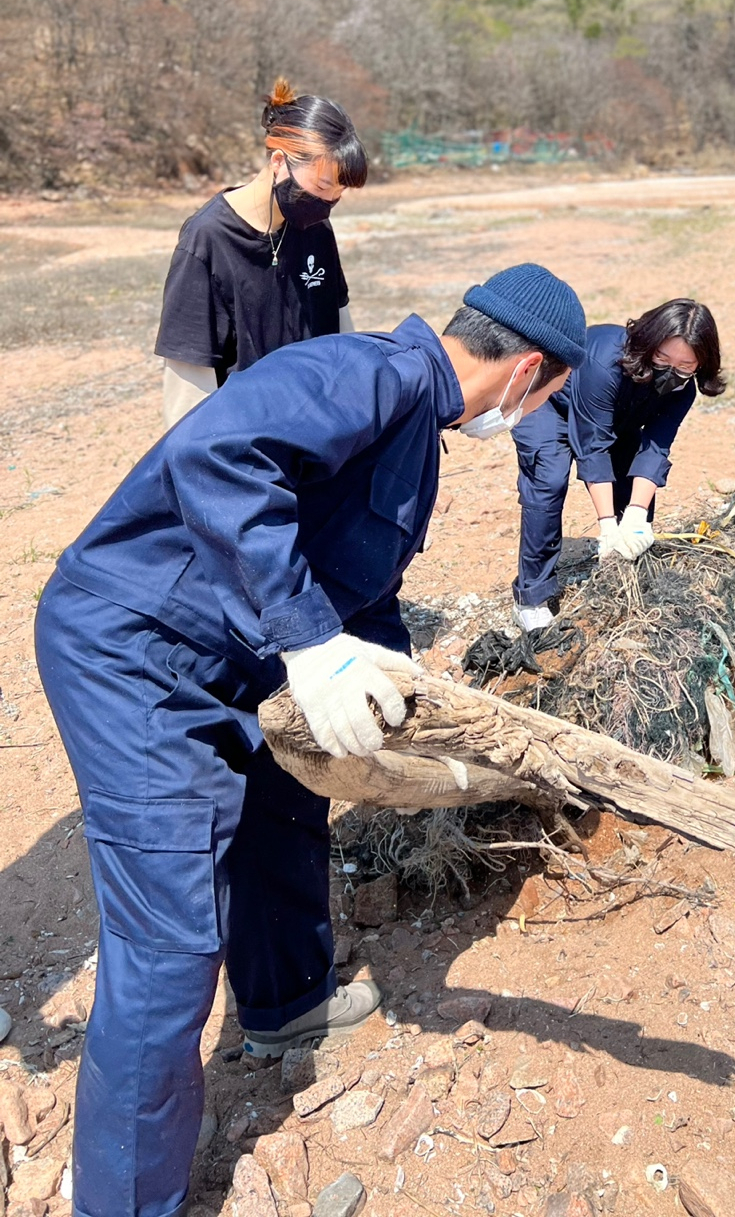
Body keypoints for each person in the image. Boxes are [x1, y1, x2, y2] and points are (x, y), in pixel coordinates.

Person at [34, 263, 586, 1217]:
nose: (532, 419)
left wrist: (414, 713)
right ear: (529, 370)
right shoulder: (372, 375)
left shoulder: (419, 428)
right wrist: (305, 640)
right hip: (136, 655)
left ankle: (285, 1002)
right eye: (546, 402)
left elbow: (363, 595)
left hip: (226, 656)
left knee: (287, 800)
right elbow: (221, 458)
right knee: (167, 945)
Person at [155, 78, 368, 429]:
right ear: (279, 162)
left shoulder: (316, 230)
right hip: (245, 440)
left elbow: (341, 331)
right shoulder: (207, 240)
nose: (329, 202)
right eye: (322, 186)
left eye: (339, 193)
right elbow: (188, 378)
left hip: (315, 430)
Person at [510, 298, 725, 632]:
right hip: (549, 404)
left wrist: (636, 515)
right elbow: (592, 446)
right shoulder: (605, 361)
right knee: (548, 480)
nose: (673, 371)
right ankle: (531, 597)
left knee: (634, 493)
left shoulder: (683, 390)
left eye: (685, 365)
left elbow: (655, 446)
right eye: (663, 358)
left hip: (616, 420)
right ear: (649, 343)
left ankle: (629, 574)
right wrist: (607, 526)